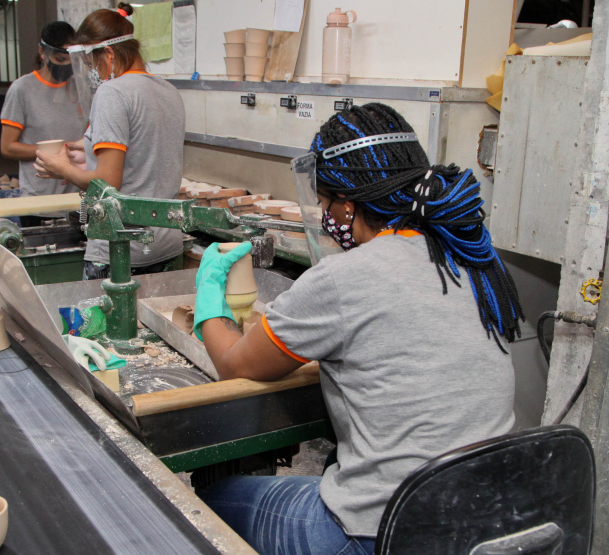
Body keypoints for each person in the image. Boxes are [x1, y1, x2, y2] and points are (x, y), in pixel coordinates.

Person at [192, 103, 524, 554]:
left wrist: (209, 299)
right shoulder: (471, 258)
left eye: (327, 204)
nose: (327, 215)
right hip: (486, 519)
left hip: (385, 535)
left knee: (214, 496)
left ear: (348, 207)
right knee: (335, 459)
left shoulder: (344, 278)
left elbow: (234, 364)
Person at [34, 3, 186, 280]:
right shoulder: (168, 91)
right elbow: (144, 156)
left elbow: (108, 182)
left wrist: (61, 170)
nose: (94, 72)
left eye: (92, 63)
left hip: (123, 247)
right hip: (166, 243)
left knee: (104, 324)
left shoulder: (112, 92)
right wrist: (87, 152)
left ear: (109, 53)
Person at [0, 21, 86, 225]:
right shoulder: (22, 89)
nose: (65, 65)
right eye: (59, 58)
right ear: (42, 52)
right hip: (39, 204)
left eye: (71, 59)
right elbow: (8, 147)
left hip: (77, 201)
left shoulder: (81, 89)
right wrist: (55, 152)